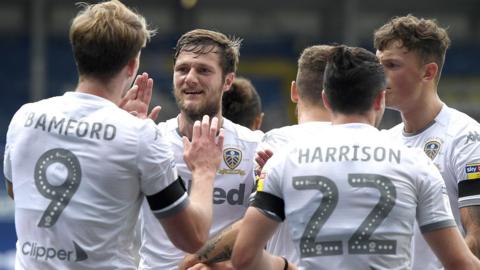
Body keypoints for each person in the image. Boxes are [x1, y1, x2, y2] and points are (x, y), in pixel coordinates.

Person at [2, 1, 224, 269]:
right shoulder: (140, 135)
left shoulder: (25, 118)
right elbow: (194, 237)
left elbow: (18, 190)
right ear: (131, 66)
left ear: (78, 55)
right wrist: (204, 170)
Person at [231, 45, 480, 270]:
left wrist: (287, 267)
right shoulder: (417, 163)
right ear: (380, 98)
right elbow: (460, 263)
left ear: (326, 99)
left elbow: (243, 256)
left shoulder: (282, 162)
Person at [177, 45, 334, 270]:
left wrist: (195, 259)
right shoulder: (379, 144)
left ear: (294, 92)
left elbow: (251, 232)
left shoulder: (278, 143)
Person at [137, 29, 262, 270]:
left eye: (203, 70)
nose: (190, 78)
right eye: (182, 69)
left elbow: (263, 225)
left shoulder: (254, 146)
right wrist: (123, 135)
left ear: (227, 81)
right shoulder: (151, 140)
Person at [374, 14, 480, 269]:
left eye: (392, 65)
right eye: (378, 65)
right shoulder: (382, 142)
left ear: (428, 72)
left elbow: (476, 239)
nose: (379, 76)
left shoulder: (466, 138)